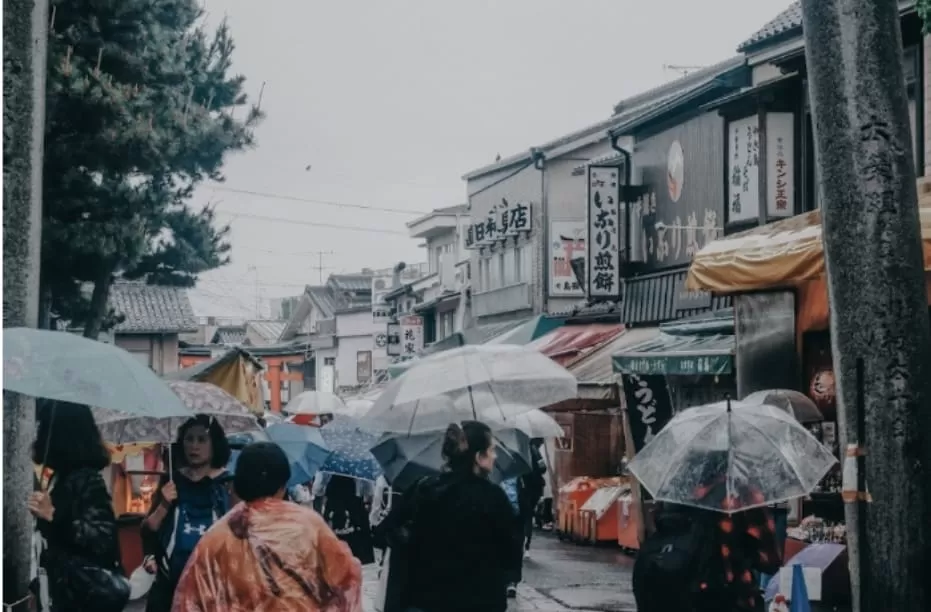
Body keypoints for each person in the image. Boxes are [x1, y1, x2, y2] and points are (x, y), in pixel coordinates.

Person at [171, 442, 363, 611]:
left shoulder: (218, 536)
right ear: (283, 483)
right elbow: (346, 578)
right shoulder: (310, 526)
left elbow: (190, 600)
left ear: (239, 483)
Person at [375, 421, 518, 612]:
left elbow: (384, 532)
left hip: (426, 601)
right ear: (478, 457)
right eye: (491, 450)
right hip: (479, 601)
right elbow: (511, 556)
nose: (495, 456)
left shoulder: (424, 489)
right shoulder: (493, 498)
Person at [29, 401, 129, 612]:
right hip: (66, 594)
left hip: (84, 597)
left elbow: (102, 537)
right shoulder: (62, 477)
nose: (39, 434)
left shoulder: (87, 479)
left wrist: (54, 517)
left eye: (44, 426)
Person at [142, 415, 233, 612]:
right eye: (189, 439)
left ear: (214, 444)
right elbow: (149, 528)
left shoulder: (228, 484)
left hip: (212, 588)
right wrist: (164, 504)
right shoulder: (172, 480)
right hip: (169, 586)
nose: (194, 446)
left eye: (202, 440)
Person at [322, 475, 376, 565]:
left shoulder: (329, 467)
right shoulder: (359, 468)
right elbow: (369, 490)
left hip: (334, 500)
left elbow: (318, 488)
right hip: (353, 502)